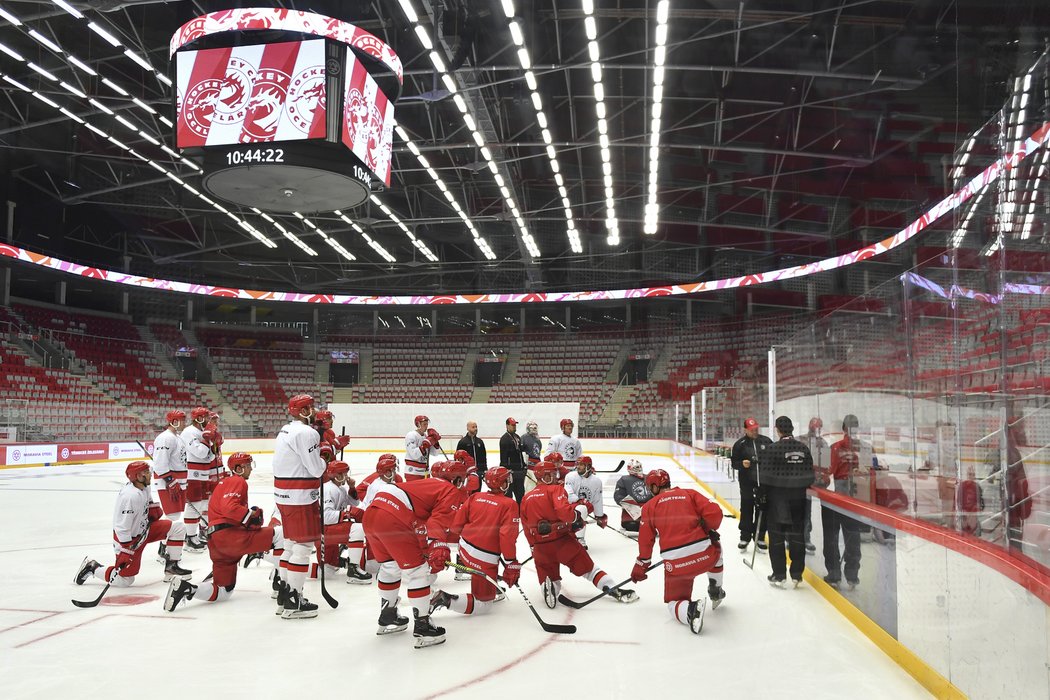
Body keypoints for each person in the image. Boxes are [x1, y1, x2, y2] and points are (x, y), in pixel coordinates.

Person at [362, 461, 467, 648]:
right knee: (418, 572)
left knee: (390, 566)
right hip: (393, 517)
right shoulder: (450, 490)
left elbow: (419, 522)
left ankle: (388, 615)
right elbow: (437, 522)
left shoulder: (426, 484)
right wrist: (439, 545)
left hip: (372, 513)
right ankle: (423, 627)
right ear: (457, 479)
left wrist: (429, 544)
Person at [163, 452, 285, 612]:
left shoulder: (223, 483)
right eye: (247, 465)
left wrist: (249, 516)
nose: (250, 469)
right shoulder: (237, 480)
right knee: (281, 535)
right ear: (239, 468)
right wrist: (251, 517)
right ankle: (282, 583)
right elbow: (230, 507)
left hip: (217, 544)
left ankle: (187, 588)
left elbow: (227, 510)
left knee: (223, 591)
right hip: (230, 537)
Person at [520, 460, 637, 608]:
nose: (556, 477)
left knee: (549, 575)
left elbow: (525, 527)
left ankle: (549, 587)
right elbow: (565, 514)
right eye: (553, 474)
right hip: (562, 542)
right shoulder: (555, 490)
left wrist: (533, 545)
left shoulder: (526, 498)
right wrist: (577, 517)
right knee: (590, 570)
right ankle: (611, 587)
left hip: (540, 548)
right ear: (547, 476)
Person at [630, 469, 725, 635]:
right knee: (717, 549)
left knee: (673, 603)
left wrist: (641, 565)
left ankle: (690, 610)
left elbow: (646, 541)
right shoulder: (689, 493)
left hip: (677, 566)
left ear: (654, 486)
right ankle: (715, 589)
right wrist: (708, 528)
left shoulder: (649, 507)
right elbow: (715, 513)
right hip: (705, 556)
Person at [75, 461, 191, 588]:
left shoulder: (143, 487)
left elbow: (148, 502)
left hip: (144, 530)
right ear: (138, 476)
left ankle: (171, 568)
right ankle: (93, 567)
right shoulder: (129, 496)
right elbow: (122, 527)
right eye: (146, 472)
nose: (150, 474)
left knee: (178, 529)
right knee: (125, 580)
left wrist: (153, 510)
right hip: (130, 541)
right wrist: (126, 549)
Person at [430, 466, 521, 617]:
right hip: (484, 558)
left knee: (487, 562)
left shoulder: (475, 496)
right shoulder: (509, 504)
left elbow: (456, 526)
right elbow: (507, 537)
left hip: (464, 551)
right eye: (506, 480)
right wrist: (511, 563)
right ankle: (445, 599)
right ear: (502, 483)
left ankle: (490, 583)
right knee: (484, 605)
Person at [272, 393, 333, 619]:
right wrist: (326, 456)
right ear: (303, 411)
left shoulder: (286, 429)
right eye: (310, 407)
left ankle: (285, 594)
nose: (314, 410)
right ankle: (294, 601)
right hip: (300, 495)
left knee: (290, 544)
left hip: (284, 494)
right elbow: (316, 469)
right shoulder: (306, 433)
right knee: (303, 547)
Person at [759, 416, 814, 587]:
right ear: (791, 429)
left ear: (778, 430)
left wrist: (761, 498)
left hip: (778, 501)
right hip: (799, 500)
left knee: (776, 537)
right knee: (797, 536)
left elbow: (765, 478)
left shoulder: (772, 449)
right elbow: (810, 475)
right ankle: (797, 574)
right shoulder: (803, 448)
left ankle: (779, 574)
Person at [822, 414, 865, 588]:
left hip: (836, 496)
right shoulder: (864, 448)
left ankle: (834, 574)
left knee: (831, 536)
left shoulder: (835, 447)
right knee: (853, 536)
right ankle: (852, 576)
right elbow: (869, 471)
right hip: (856, 497)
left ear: (843, 429)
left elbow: (828, 471)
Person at [319, 460, 371, 584]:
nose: (347, 476)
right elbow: (325, 517)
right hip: (322, 531)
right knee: (357, 529)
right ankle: (353, 569)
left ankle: (282, 571)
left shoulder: (339, 489)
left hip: (328, 530)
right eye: (344, 473)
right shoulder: (328, 489)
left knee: (327, 571)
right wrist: (347, 513)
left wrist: (352, 488)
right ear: (337, 475)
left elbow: (355, 503)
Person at [730, 417, 772, 552]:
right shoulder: (739, 444)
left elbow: (773, 460)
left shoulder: (766, 441)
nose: (755, 432)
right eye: (752, 430)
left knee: (762, 511)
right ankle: (745, 537)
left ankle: (759, 537)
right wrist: (741, 464)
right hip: (747, 484)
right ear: (745, 430)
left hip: (763, 484)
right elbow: (734, 463)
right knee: (747, 509)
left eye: (756, 429)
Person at [152, 409, 187, 561]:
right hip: (168, 481)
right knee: (172, 516)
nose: (185, 423)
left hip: (176, 479)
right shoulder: (165, 438)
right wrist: (170, 481)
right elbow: (160, 464)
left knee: (175, 514)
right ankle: (163, 550)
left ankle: (164, 546)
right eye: (182, 420)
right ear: (174, 421)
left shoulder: (176, 437)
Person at [181, 405, 215, 552]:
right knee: (194, 505)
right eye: (206, 417)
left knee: (200, 505)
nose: (208, 420)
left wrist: (214, 445)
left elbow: (210, 456)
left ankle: (193, 536)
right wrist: (207, 440)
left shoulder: (201, 431)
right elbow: (200, 453)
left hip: (202, 472)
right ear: (199, 418)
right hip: (192, 473)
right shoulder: (189, 432)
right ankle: (189, 537)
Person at [563, 455, 607, 549]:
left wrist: (599, 515)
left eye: (581, 465)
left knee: (583, 509)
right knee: (581, 508)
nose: (578, 466)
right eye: (577, 464)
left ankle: (576, 536)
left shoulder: (596, 481)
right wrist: (580, 501)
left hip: (586, 507)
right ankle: (579, 538)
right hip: (569, 506)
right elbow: (568, 495)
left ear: (588, 466)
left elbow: (597, 499)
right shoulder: (571, 476)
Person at [800, 417, 828, 553]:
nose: (817, 430)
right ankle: (791, 537)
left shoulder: (823, 443)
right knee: (795, 511)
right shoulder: (801, 440)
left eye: (819, 427)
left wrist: (823, 478)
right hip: (799, 482)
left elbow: (826, 465)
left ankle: (806, 538)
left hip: (812, 484)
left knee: (807, 511)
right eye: (815, 427)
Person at [613, 459, 652, 534]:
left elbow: (656, 494)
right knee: (633, 526)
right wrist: (635, 509)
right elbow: (618, 496)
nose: (639, 469)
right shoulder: (624, 480)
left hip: (649, 515)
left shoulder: (648, 477)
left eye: (639, 467)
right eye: (636, 467)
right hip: (632, 518)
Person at [499, 417, 529, 503]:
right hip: (510, 473)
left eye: (515, 425)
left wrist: (523, 466)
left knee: (520, 494)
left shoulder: (517, 437)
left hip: (519, 472)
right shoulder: (504, 439)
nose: (514, 427)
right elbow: (503, 457)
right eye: (512, 425)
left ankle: (521, 513)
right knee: (508, 496)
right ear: (507, 426)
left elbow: (519, 453)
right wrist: (505, 471)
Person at [405, 415, 441, 481]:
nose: (426, 426)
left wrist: (435, 442)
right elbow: (414, 454)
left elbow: (435, 453)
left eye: (427, 424)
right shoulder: (411, 435)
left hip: (425, 472)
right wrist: (424, 446)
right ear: (418, 424)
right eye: (424, 424)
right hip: (413, 472)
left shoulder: (426, 436)